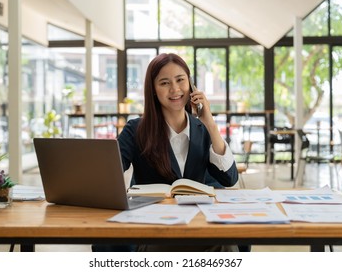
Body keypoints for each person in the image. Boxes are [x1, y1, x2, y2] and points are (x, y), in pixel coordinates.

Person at [93, 53, 239, 252]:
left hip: (198, 226)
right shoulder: (136, 130)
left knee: (227, 244)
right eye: (164, 83)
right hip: (153, 230)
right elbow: (107, 175)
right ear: (153, 90)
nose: (175, 89)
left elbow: (229, 178)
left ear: (191, 85)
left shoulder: (203, 129)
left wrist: (210, 123)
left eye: (181, 80)